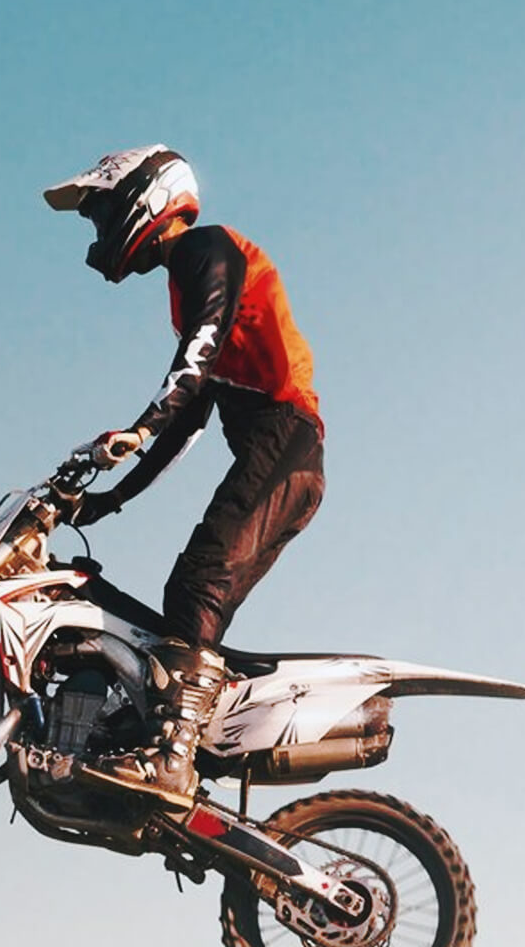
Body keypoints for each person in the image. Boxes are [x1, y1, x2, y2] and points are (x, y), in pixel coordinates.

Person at [43, 144, 325, 807]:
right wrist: (111, 500)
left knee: (198, 584)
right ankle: (161, 743)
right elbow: (189, 418)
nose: (101, 228)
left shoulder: (208, 250)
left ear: (147, 195)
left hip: (289, 438)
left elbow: (192, 368)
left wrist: (138, 428)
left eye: (103, 211)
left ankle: (171, 761)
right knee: (188, 606)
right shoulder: (184, 280)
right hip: (283, 455)